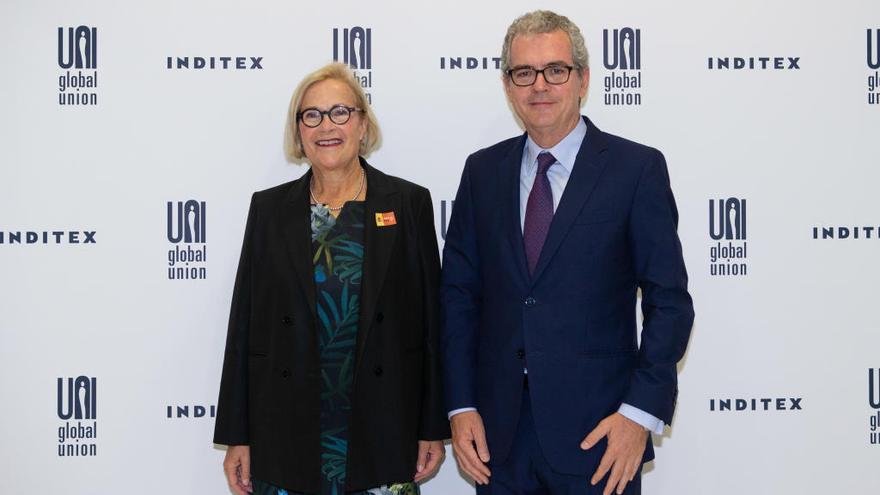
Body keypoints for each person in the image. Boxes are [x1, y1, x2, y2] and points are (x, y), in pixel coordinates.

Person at [441, 11, 695, 495]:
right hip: (499, 440)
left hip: (601, 438)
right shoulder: (482, 173)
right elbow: (458, 297)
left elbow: (669, 302)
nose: (539, 85)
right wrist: (461, 405)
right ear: (507, 85)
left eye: (555, 70)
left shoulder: (635, 169)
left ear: (583, 78)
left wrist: (638, 414)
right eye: (524, 72)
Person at [214, 62, 448, 495]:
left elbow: (432, 326)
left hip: (384, 430)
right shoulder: (269, 210)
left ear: (363, 124)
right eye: (312, 115)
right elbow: (244, 327)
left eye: (340, 112)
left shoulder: (408, 203)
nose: (327, 126)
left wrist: (431, 425)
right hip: (285, 434)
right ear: (298, 132)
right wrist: (236, 434)